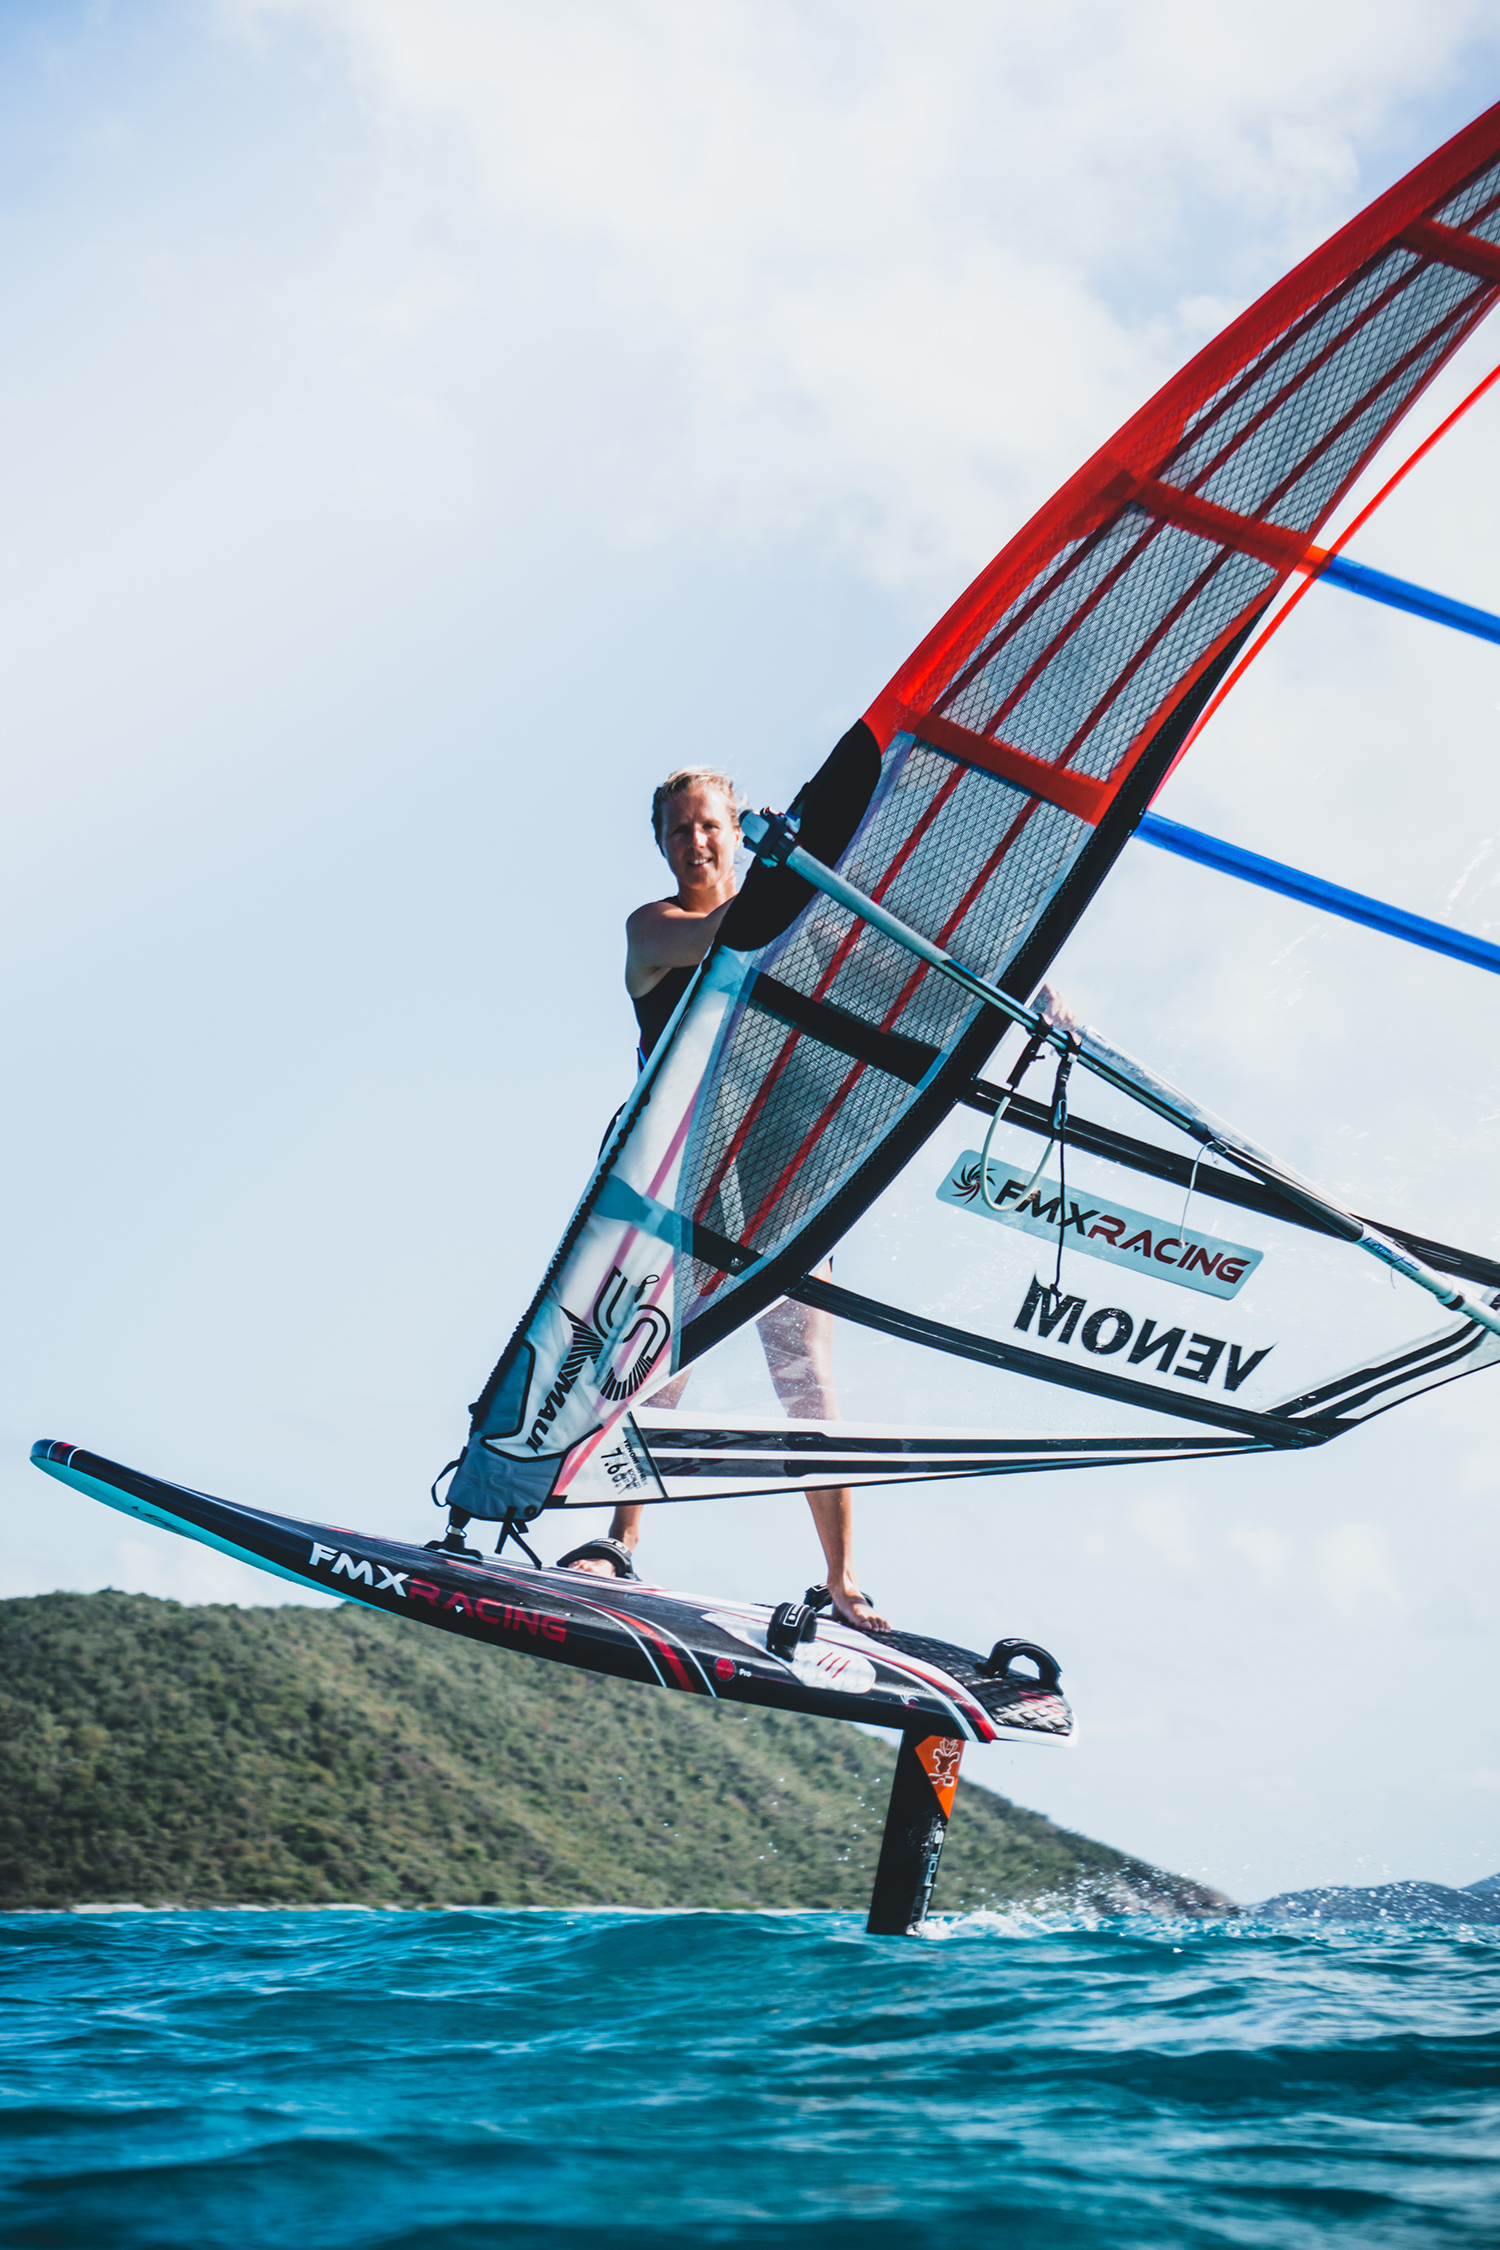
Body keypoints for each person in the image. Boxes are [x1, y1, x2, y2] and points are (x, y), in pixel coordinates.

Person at [559, 766, 890, 1633]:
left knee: (805, 1377)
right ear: (662, 846)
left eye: (710, 826)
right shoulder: (655, 930)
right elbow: (729, 932)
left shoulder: (805, 929)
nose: (696, 843)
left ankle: (845, 1580)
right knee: (663, 1359)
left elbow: (900, 974)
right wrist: (801, 866)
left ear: (737, 828)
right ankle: (621, 1542)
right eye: (679, 832)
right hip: (686, 1175)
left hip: (783, 1177)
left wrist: (1028, 990)